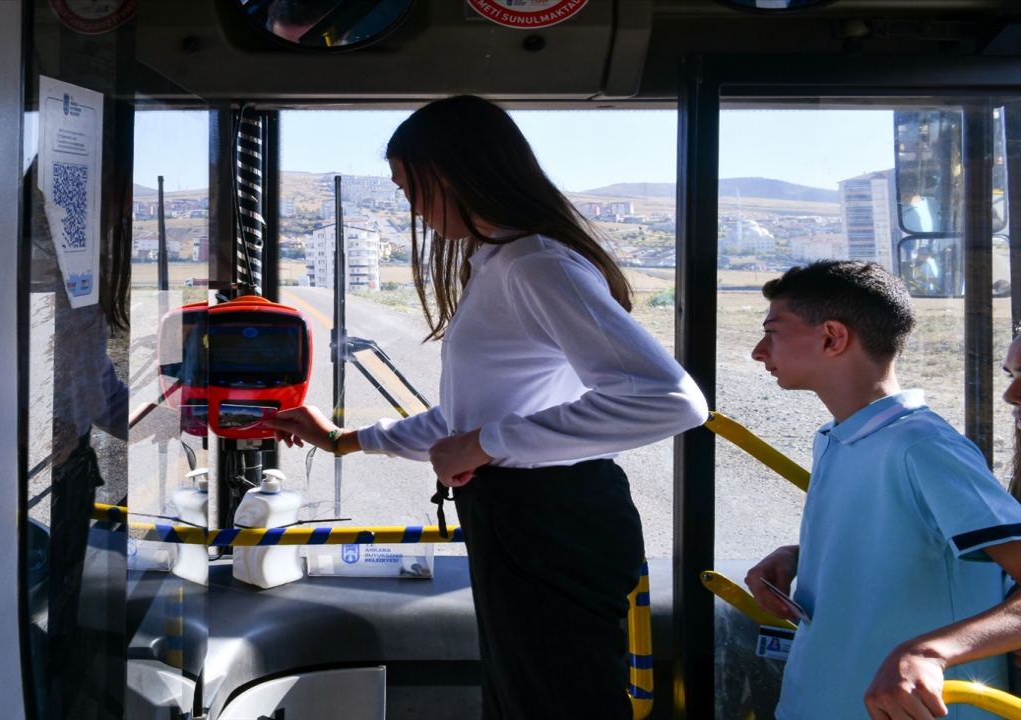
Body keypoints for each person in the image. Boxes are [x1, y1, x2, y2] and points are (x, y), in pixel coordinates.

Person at [264, 95, 708, 720]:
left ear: (452, 173)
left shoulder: (536, 263)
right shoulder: (498, 262)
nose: (410, 206)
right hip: (521, 517)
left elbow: (670, 400)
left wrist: (487, 444)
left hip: (550, 520)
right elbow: (463, 422)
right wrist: (344, 439)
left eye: (410, 187)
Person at [743, 260, 1021, 720]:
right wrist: (800, 556)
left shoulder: (923, 447)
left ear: (832, 337)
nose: (759, 350)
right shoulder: (837, 437)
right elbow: (907, 541)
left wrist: (931, 653)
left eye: (773, 331)